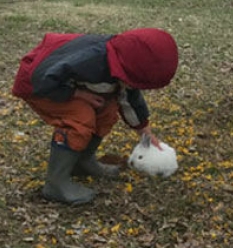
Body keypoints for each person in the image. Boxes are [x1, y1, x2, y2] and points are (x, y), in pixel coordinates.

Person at [12, 28, 179, 205]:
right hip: (40, 85)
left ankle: (83, 162)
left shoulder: (123, 67)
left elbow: (129, 98)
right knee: (80, 118)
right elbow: (44, 79)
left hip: (70, 85)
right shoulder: (90, 60)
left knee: (107, 112)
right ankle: (55, 183)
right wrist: (78, 94)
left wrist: (146, 135)